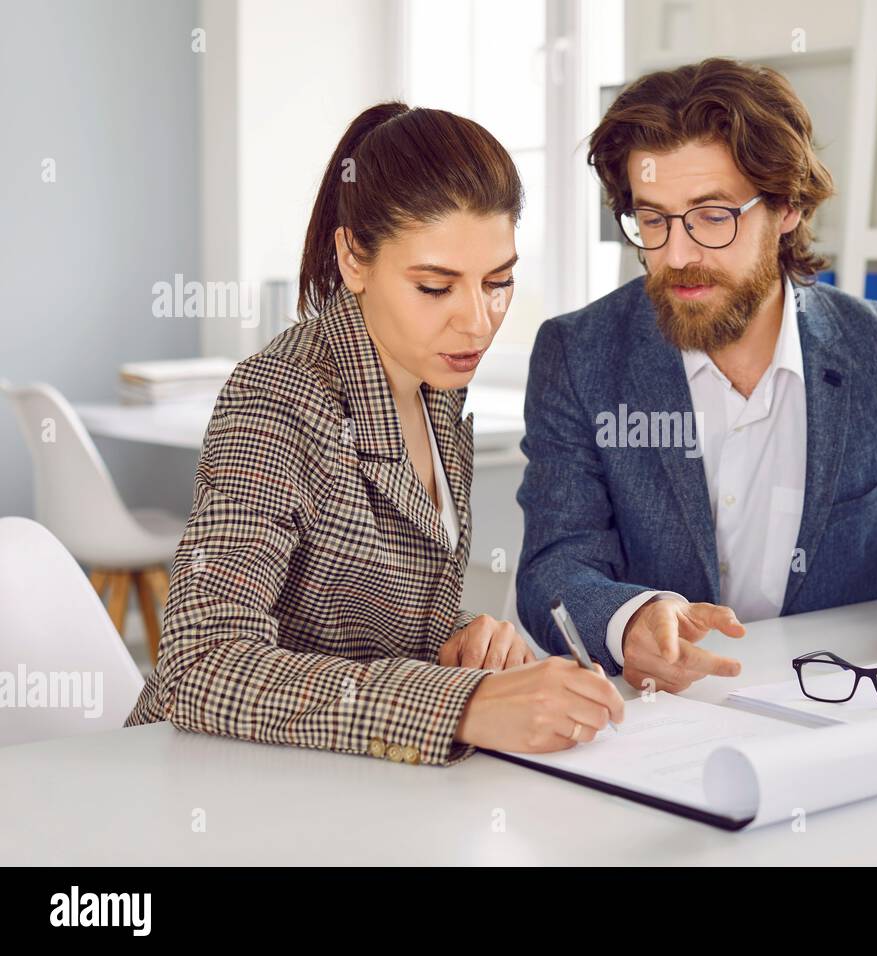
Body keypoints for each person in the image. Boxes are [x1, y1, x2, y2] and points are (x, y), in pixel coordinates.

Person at [126, 102, 624, 763]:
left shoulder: (437, 389)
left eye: (498, 282)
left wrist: (457, 640)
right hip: (209, 779)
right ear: (354, 258)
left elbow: (345, 615)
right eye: (434, 286)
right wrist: (465, 704)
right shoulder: (279, 396)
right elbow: (202, 666)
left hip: (344, 783)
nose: (477, 322)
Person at [516, 59, 877, 695]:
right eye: (653, 219)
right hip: (654, 723)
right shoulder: (577, 354)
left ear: (786, 208)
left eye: (712, 215)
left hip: (839, 712)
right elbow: (553, 566)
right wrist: (627, 618)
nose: (676, 255)